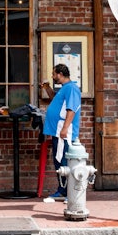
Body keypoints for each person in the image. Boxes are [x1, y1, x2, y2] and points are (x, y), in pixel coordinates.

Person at [39, 64, 82, 201]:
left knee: (65, 162)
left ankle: (69, 193)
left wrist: (64, 128)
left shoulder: (71, 88)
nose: (52, 76)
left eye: (54, 74)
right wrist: (47, 88)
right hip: (57, 131)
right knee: (59, 161)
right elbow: (55, 100)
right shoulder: (65, 88)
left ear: (60, 74)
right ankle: (62, 190)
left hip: (64, 132)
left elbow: (72, 109)